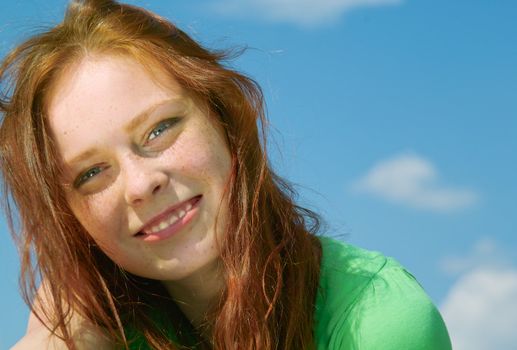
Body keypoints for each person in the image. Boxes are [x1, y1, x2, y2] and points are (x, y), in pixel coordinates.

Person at [0, 0, 452, 349]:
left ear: (223, 118)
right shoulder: (91, 331)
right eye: (92, 172)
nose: (141, 184)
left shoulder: (376, 318)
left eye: (160, 129)